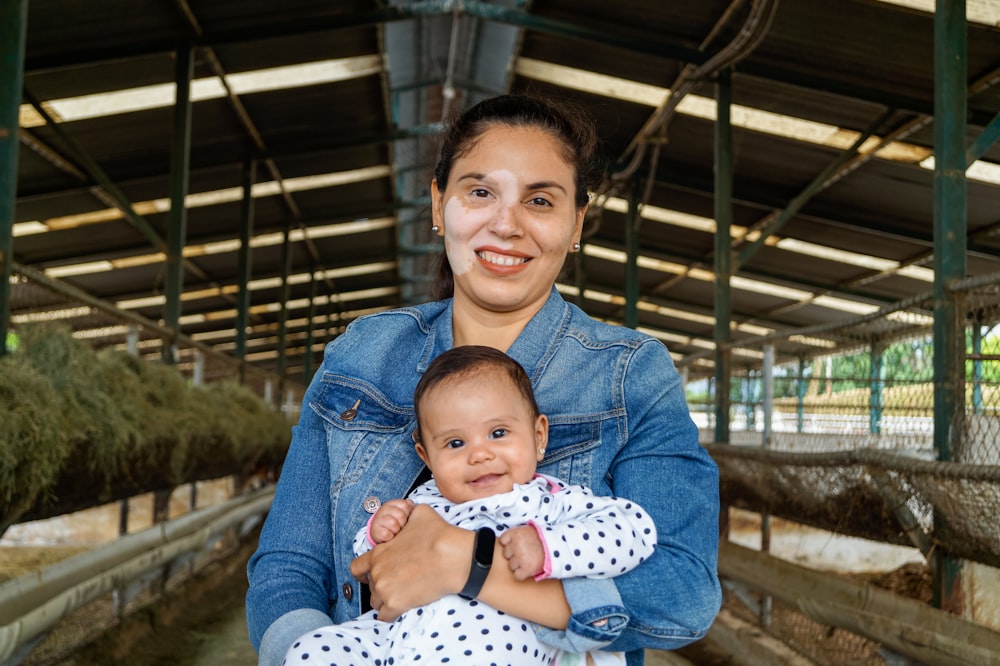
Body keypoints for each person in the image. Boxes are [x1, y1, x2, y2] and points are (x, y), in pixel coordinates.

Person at [246, 93, 721, 666]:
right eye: (479, 192)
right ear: (439, 204)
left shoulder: (627, 374)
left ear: (577, 224)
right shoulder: (362, 356)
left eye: (540, 200)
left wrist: (469, 567)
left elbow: (684, 593)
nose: (506, 224)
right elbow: (287, 566)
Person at [284, 345, 657, 666]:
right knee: (312, 649)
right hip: (396, 639)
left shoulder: (551, 501)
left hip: (493, 645)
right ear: (426, 456)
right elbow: (374, 566)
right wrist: (379, 531)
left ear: (538, 435)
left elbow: (634, 529)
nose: (480, 454)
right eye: (455, 444)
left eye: (498, 433)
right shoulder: (423, 502)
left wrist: (550, 549)